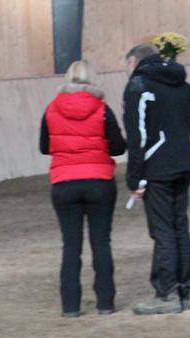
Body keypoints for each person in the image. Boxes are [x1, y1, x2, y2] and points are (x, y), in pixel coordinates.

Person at [39, 60, 127, 317]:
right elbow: (118, 148)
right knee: (101, 242)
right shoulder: (102, 109)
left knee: (70, 245)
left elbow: (44, 146)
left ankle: (71, 306)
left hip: (64, 182)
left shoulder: (51, 109)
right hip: (99, 181)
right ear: (91, 79)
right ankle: (106, 303)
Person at [122, 34, 190, 315]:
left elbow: (137, 136)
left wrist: (135, 179)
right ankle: (183, 290)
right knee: (180, 227)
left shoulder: (138, 86)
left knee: (163, 230)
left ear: (133, 61)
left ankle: (167, 293)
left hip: (157, 169)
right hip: (183, 164)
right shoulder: (184, 85)